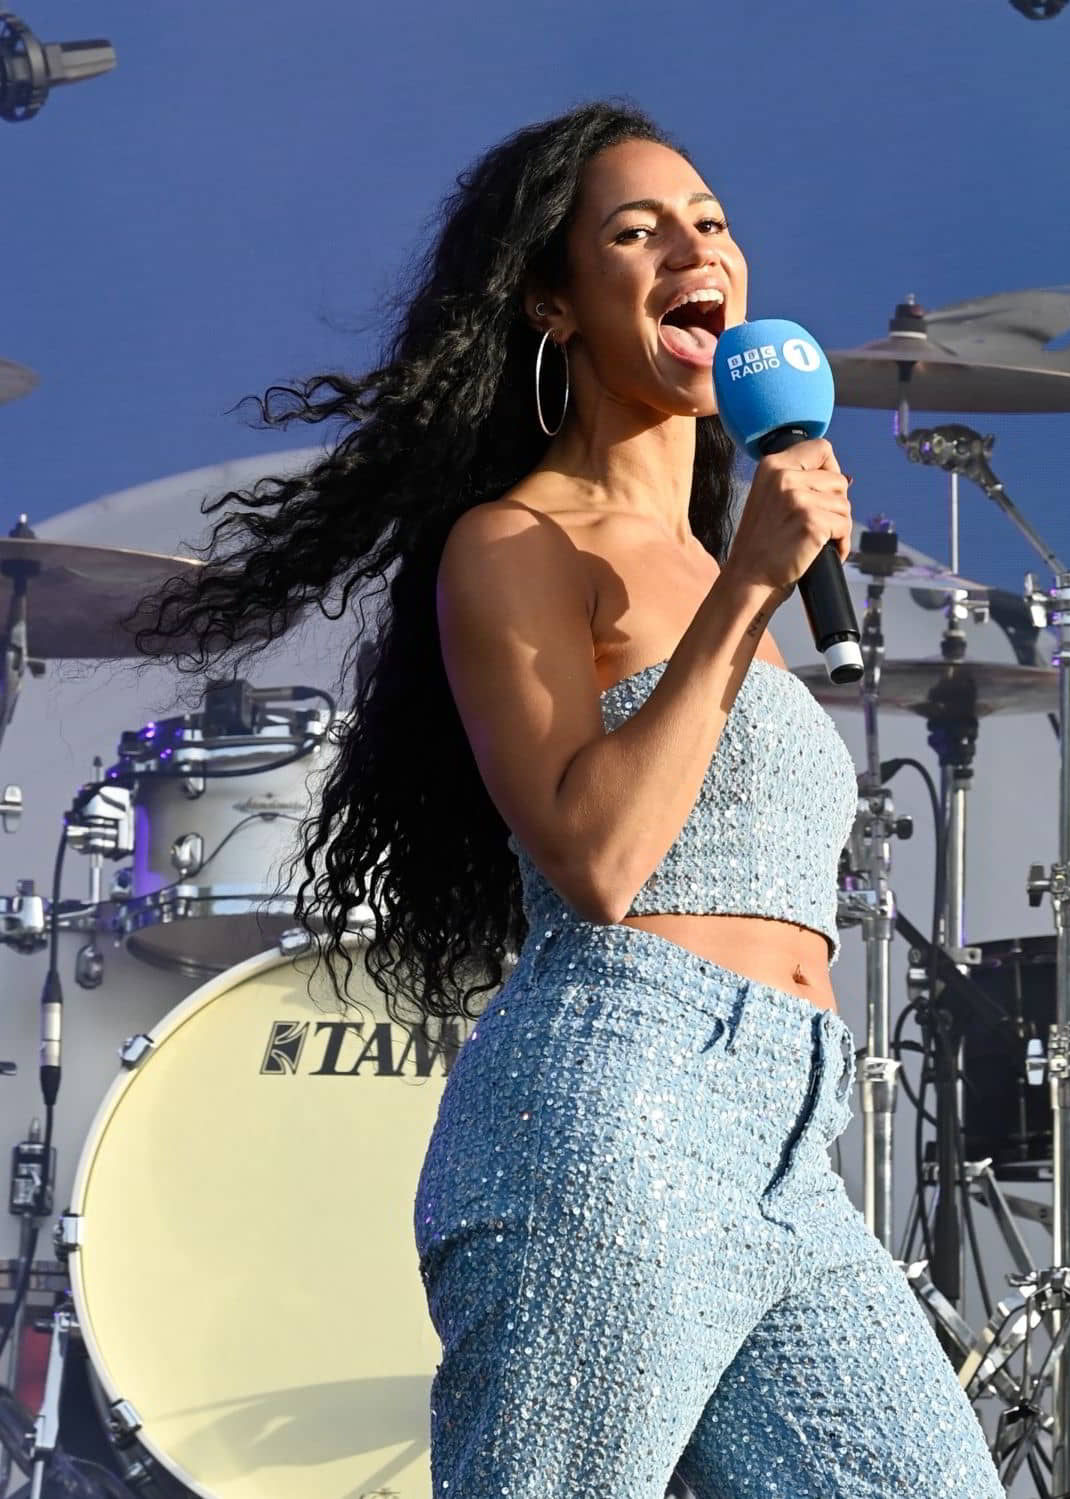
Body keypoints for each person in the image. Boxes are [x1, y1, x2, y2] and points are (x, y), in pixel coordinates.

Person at [132, 100, 1002, 1499]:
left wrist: (739, 583)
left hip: (791, 1135)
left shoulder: (720, 561)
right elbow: (598, 855)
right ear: (554, 300)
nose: (689, 251)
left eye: (708, 225)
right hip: (619, 1116)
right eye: (635, 233)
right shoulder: (520, 542)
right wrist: (744, 593)